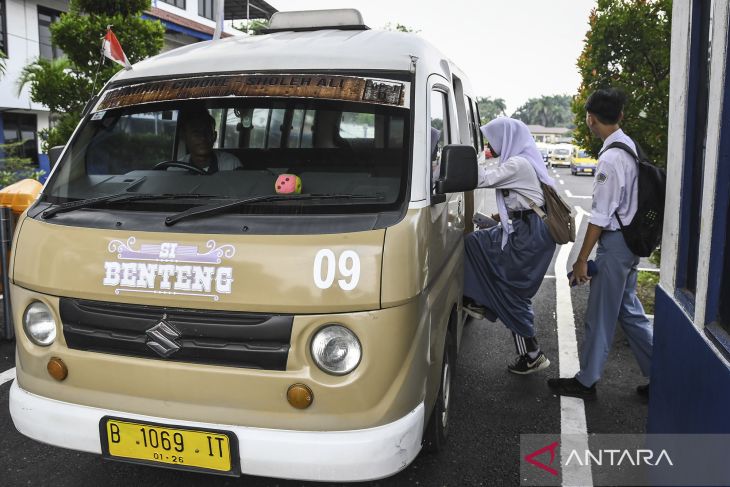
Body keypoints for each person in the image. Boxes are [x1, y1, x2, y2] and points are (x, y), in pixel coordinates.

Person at [547, 88, 653, 399]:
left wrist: (582, 258)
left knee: (599, 315)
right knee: (629, 312)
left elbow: (601, 216)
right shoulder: (629, 146)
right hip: (632, 242)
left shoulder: (610, 158)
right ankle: (663, 373)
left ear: (591, 119)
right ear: (620, 116)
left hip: (617, 245)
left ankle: (586, 380)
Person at [463, 117, 557, 375]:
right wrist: (495, 221)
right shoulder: (523, 161)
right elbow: (520, 203)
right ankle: (531, 352)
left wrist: (443, 168)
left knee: (476, 248)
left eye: (493, 139)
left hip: (528, 236)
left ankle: (478, 300)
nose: (491, 145)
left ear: (506, 138)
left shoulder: (517, 164)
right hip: (529, 232)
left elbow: (481, 179)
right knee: (511, 288)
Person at [178, 106, 242, 172]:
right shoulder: (176, 170)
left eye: (207, 132)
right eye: (196, 133)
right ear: (184, 137)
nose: (203, 138)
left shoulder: (231, 165)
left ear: (214, 136)